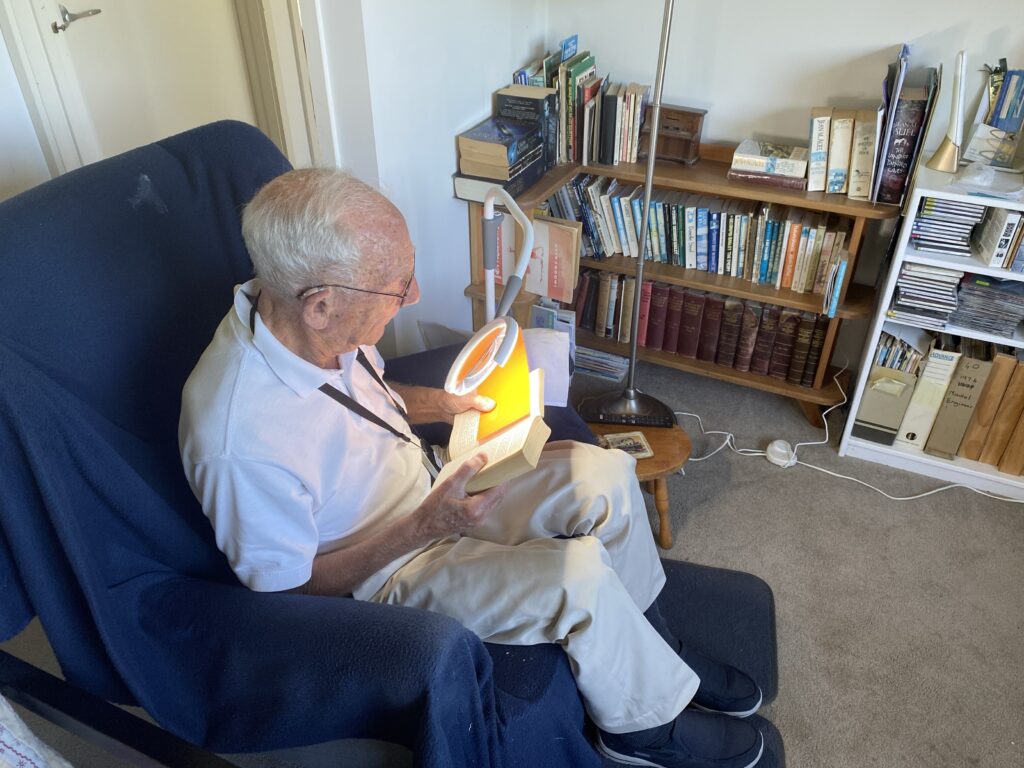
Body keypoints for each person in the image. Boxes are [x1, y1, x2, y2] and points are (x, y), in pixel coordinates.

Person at [179, 169, 765, 768]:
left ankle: (657, 649)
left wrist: (448, 406)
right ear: (322, 306)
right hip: (390, 571)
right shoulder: (239, 439)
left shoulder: (305, 313)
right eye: (397, 286)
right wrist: (425, 527)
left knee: (606, 475)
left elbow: (368, 402)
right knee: (578, 573)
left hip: (434, 481)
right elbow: (287, 590)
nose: (412, 297)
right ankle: (643, 730)